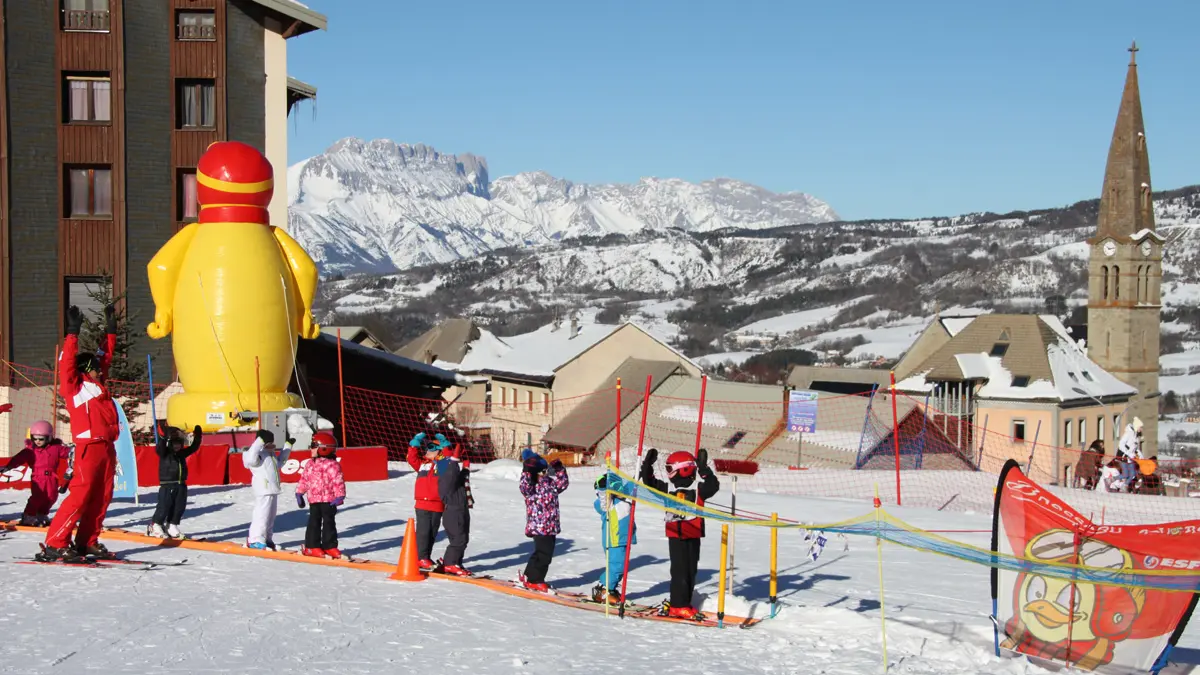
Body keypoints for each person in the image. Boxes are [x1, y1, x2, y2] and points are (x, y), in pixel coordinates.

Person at [39, 305, 120, 562]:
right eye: (95, 368)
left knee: (102, 497)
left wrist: (111, 330)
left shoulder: (97, 385)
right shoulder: (75, 387)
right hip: (87, 447)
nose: (100, 370)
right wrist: (72, 333)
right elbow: (66, 365)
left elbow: (104, 356)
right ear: (86, 369)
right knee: (80, 496)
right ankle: (56, 542)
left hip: (106, 447)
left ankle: (87, 541)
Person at [640, 447, 720, 620]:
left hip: (694, 534)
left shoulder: (699, 488)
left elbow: (714, 486)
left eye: (670, 468)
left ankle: (685, 602)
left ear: (683, 468)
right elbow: (649, 482)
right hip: (676, 536)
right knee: (680, 571)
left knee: (691, 571)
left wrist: (703, 468)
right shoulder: (667, 488)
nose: (668, 472)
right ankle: (678, 605)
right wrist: (647, 465)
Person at [518, 449, 569, 592]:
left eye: (545, 471)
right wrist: (527, 470)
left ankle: (529, 576)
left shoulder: (550, 483)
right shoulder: (531, 485)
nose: (544, 474)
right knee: (543, 554)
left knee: (543, 553)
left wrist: (559, 468)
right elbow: (524, 487)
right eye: (541, 471)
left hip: (551, 525)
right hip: (539, 526)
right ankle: (535, 579)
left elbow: (563, 483)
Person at [3, 421, 72, 526]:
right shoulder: (30, 450)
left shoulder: (55, 448)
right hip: (38, 477)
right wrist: (8, 467)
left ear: (49, 438)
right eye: (35, 438)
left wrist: (76, 449)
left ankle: (42, 514)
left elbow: (68, 452)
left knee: (52, 497)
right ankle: (28, 515)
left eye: (41, 439)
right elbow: (18, 459)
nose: (38, 441)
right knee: (38, 497)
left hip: (52, 476)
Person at [296, 432, 346, 558]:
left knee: (329, 523)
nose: (311, 448)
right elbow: (304, 480)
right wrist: (299, 493)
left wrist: (340, 496)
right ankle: (312, 546)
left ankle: (330, 546)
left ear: (323, 448)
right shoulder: (310, 464)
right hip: (314, 500)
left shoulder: (333, 465)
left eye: (313, 445)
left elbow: (338, 481)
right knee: (314, 522)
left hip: (329, 500)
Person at [149, 424, 203, 539]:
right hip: (167, 485)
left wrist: (198, 437)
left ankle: (172, 525)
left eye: (179, 444)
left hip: (181, 484)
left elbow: (193, 448)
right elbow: (160, 448)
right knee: (164, 506)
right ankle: (155, 525)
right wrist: (163, 437)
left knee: (179, 507)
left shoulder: (181, 454)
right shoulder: (165, 453)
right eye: (175, 444)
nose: (177, 446)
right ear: (170, 444)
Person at [407, 430, 451, 570]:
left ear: (439, 452)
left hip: (437, 504)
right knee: (423, 532)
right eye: (427, 447)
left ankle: (425, 556)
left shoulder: (443, 465)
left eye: (431, 448)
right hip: (422, 504)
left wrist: (445, 446)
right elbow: (411, 459)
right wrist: (414, 444)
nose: (427, 450)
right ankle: (421, 557)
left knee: (432, 532)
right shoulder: (423, 464)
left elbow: (449, 459)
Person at [243, 429, 293, 550]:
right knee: (262, 515)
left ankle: (266, 538)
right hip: (263, 489)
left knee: (270, 516)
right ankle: (255, 539)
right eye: (268, 442)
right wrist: (259, 441)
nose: (271, 445)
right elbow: (249, 460)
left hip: (273, 489)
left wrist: (288, 446)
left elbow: (280, 463)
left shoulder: (270, 454)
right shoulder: (255, 454)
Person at [592, 473, 637, 604]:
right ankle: (605, 589)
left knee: (620, 567)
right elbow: (603, 501)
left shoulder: (625, 499)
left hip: (624, 538)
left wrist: (640, 470)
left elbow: (631, 486)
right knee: (617, 567)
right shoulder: (606, 503)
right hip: (613, 539)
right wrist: (602, 489)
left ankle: (608, 589)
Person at [432, 435, 473, 576]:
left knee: (463, 538)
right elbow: (450, 476)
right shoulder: (444, 472)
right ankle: (450, 564)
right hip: (453, 511)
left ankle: (456, 562)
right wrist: (454, 459)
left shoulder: (451, 472)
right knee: (458, 539)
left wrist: (466, 468)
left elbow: (457, 479)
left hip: (461, 509)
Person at [1117, 417, 1144, 486]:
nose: (1141, 429)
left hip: (1130, 458)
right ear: (1136, 427)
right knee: (1125, 474)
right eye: (1140, 427)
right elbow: (1121, 444)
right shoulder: (1129, 433)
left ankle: (1124, 486)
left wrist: (1141, 456)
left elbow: (1135, 449)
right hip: (1123, 457)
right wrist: (1129, 453)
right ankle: (1111, 479)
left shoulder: (1136, 436)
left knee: (1132, 474)